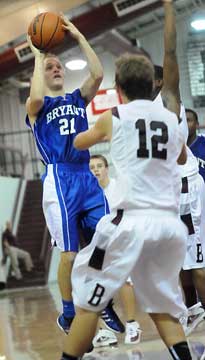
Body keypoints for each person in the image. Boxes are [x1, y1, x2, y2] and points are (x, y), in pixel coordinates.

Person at [60, 5, 192, 359]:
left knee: (88, 297)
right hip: (169, 226)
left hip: (131, 223)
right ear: (153, 84)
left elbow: (78, 143)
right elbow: (180, 158)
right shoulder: (170, 117)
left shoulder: (114, 115)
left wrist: (80, 131)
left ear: (117, 89)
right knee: (162, 306)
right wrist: (167, 8)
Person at [26, 15, 122, 336]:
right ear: (41, 72)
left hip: (85, 176)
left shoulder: (76, 99)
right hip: (60, 178)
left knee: (106, 240)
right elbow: (36, 97)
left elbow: (96, 74)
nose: (57, 69)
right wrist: (40, 56)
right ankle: (67, 313)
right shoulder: (37, 107)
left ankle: (101, 301)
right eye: (50, 67)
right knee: (69, 252)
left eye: (58, 67)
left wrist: (79, 35)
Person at [151, 0, 205, 337]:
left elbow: (170, 50)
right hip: (165, 192)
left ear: (158, 81)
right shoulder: (134, 113)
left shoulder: (167, 98)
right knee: (176, 262)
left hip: (186, 187)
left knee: (197, 262)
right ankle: (194, 308)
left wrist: (168, 6)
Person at [90, 154, 142, 345]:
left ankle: (132, 324)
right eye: (92, 167)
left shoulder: (116, 189)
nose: (95, 170)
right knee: (94, 285)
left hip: (120, 240)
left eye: (99, 166)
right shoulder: (87, 192)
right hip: (96, 243)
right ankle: (103, 331)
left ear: (106, 168)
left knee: (124, 281)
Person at [186, 108, 205, 182]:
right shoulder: (172, 147)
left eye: (188, 120)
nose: (184, 124)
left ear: (197, 124)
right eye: (181, 121)